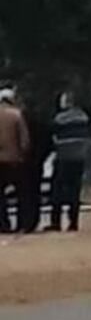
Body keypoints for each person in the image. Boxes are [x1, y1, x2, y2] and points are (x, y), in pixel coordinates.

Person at [45, 91, 91, 232]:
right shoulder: (83, 117)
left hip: (63, 157)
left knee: (57, 191)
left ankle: (56, 222)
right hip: (79, 158)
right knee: (75, 191)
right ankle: (73, 222)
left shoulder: (60, 118)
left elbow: (54, 138)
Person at [0, 87, 30, 234]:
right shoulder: (17, 115)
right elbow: (24, 140)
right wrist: (23, 154)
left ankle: (3, 224)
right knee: (21, 194)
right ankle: (21, 224)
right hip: (14, 160)